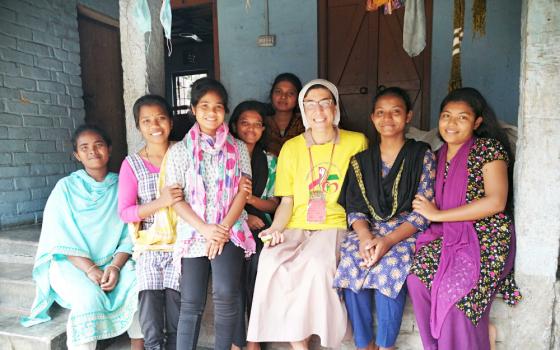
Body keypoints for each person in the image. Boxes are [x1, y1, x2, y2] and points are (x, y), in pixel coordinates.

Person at [247, 79, 368, 349]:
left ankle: (321, 336)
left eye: (325, 102)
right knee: (270, 260)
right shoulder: (291, 148)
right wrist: (276, 228)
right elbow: (287, 201)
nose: (319, 110)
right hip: (296, 224)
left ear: (335, 107)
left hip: (335, 224)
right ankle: (297, 342)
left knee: (316, 264)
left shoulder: (356, 142)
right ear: (303, 110)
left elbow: (361, 193)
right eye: (311, 104)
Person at [407, 87, 522, 350]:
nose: (452, 123)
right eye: (446, 116)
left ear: (477, 122)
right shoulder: (437, 156)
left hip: (487, 237)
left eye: (462, 117)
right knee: (417, 279)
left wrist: (438, 214)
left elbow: (496, 201)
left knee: (456, 297)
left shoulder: (488, 149)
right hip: (447, 235)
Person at [21, 125, 143, 350]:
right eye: (84, 147)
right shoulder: (65, 188)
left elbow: (131, 233)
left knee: (137, 282)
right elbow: (60, 237)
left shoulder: (123, 184)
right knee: (89, 298)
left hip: (114, 261)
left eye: (98, 145)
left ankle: (139, 346)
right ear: (77, 155)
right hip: (72, 264)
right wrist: (90, 269)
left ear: (109, 148)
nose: (93, 151)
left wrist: (115, 267)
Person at [333, 87, 436, 350]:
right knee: (354, 263)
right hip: (367, 230)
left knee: (389, 267)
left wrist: (388, 241)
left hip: (405, 232)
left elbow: (423, 211)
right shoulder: (361, 160)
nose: (387, 118)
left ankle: (386, 344)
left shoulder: (421, 155)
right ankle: (364, 343)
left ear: (408, 116)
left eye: (395, 112)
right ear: (372, 117)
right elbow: (354, 207)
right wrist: (366, 238)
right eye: (380, 112)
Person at [163, 77, 256, 350]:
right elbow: (176, 199)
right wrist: (205, 229)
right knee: (191, 302)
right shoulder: (179, 151)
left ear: (225, 111)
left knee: (226, 294)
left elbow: (243, 192)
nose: (211, 112)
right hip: (194, 231)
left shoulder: (238, 148)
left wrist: (222, 229)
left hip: (230, 228)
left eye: (217, 106)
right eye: (204, 105)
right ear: (193, 109)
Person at [118, 95, 182, 350]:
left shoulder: (183, 153)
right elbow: (125, 212)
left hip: (182, 244)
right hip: (150, 246)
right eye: (147, 120)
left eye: (161, 118)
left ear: (171, 121)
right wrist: (161, 201)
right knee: (149, 301)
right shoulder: (132, 164)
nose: (155, 125)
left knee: (177, 303)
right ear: (138, 126)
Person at [228, 101, 279, 350]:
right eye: (245, 123)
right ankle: (238, 340)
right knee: (232, 269)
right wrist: (242, 216)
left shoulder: (269, 161)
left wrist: (249, 201)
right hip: (228, 225)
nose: (251, 129)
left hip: (261, 226)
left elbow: (274, 204)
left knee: (259, 263)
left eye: (257, 124)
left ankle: (254, 339)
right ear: (235, 125)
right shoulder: (224, 157)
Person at [264, 73, 306, 156]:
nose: (283, 97)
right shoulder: (261, 123)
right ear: (271, 95)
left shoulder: (306, 124)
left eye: (290, 93)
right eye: (278, 92)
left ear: (298, 98)